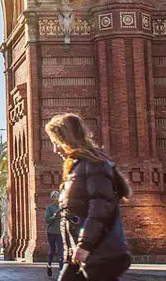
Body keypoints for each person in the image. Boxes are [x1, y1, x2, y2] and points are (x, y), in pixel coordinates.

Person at [46, 113, 132, 280]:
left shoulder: (93, 165)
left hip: (99, 252)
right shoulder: (79, 167)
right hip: (83, 253)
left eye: (56, 143)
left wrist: (85, 244)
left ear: (67, 139)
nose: (55, 149)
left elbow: (100, 208)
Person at [44, 190, 63, 276]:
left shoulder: (62, 206)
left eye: (57, 196)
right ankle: (49, 265)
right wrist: (54, 216)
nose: (56, 198)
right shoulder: (49, 207)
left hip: (60, 232)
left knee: (61, 252)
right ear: (52, 198)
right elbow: (47, 220)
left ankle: (61, 271)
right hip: (51, 232)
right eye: (54, 196)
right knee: (52, 251)